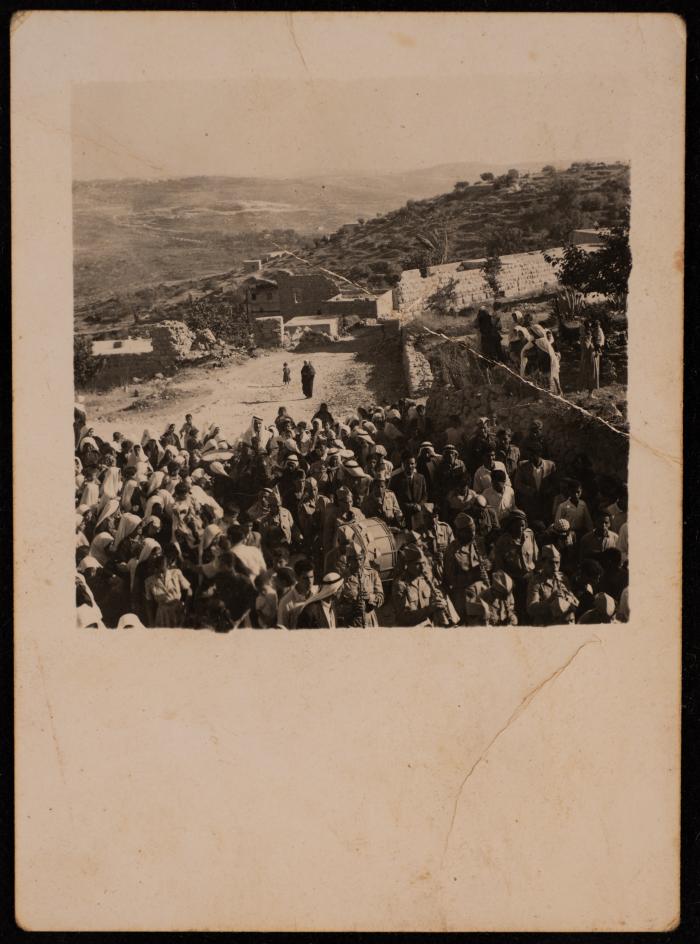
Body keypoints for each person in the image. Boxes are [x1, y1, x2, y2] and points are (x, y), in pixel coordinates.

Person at [525, 545, 579, 625]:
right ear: (543, 563)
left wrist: (567, 599)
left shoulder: (562, 578)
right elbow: (531, 609)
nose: (555, 567)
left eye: (557, 563)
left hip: (563, 622)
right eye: (551, 563)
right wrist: (550, 600)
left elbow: (576, 602)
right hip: (545, 624)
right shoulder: (536, 582)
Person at [337, 546, 385, 627]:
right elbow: (336, 606)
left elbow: (381, 598)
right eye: (355, 560)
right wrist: (352, 608)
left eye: (360, 559)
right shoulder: (342, 579)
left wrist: (370, 597)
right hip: (352, 625)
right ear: (349, 560)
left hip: (370, 623)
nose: (359, 563)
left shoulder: (372, 574)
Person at [144, 547, 192, 627]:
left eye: (163, 571)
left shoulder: (176, 573)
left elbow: (189, 590)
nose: (161, 574)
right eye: (157, 571)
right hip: (162, 615)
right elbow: (149, 603)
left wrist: (185, 608)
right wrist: (151, 621)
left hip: (178, 610)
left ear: (167, 567)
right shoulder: (149, 581)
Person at [277, 558, 318, 629]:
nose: (310, 581)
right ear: (296, 577)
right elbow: (282, 630)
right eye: (305, 578)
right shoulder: (285, 603)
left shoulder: (319, 592)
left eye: (312, 577)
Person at [391, 453, 428, 530]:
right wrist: (409, 506)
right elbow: (392, 498)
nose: (410, 466)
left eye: (412, 464)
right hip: (403, 515)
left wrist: (420, 505)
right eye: (407, 464)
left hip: (418, 514)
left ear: (415, 464)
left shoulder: (421, 478)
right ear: (403, 465)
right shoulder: (396, 479)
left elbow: (425, 495)